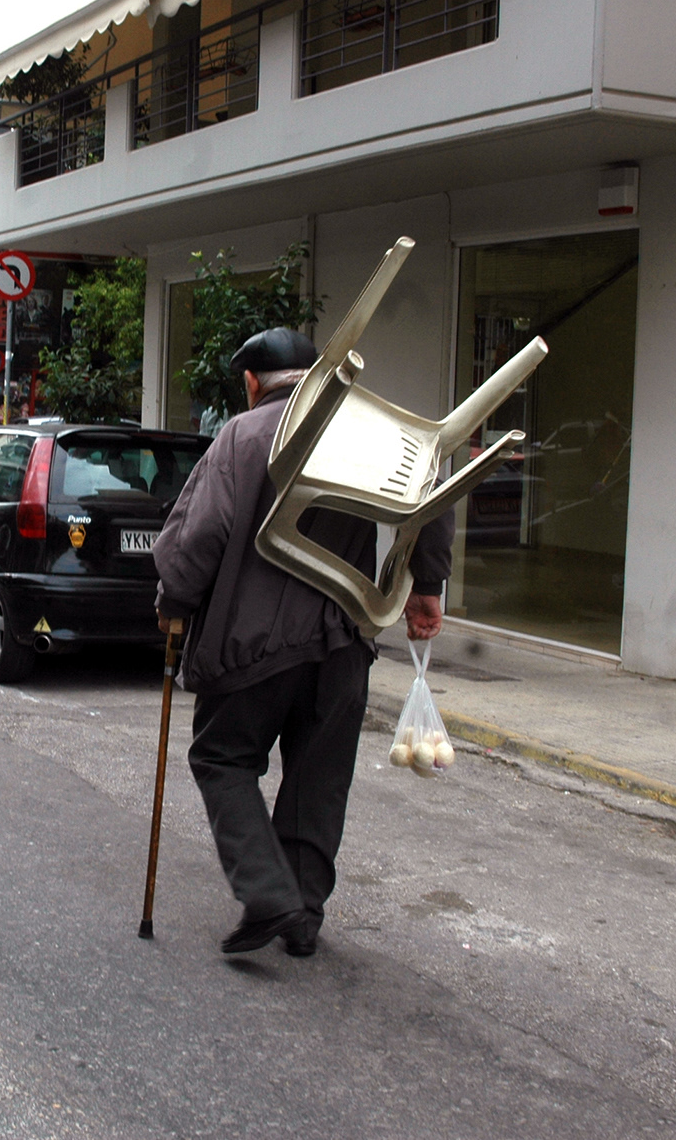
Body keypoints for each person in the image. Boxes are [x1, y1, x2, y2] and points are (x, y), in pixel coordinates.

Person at [153, 327, 452, 957]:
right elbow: (429, 483)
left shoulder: (242, 436)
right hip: (342, 644)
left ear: (252, 383)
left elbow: (198, 537)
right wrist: (427, 584)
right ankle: (303, 916)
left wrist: (173, 601)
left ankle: (269, 896)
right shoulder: (365, 432)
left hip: (251, 647)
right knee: (318, 779)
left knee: (223, 758)